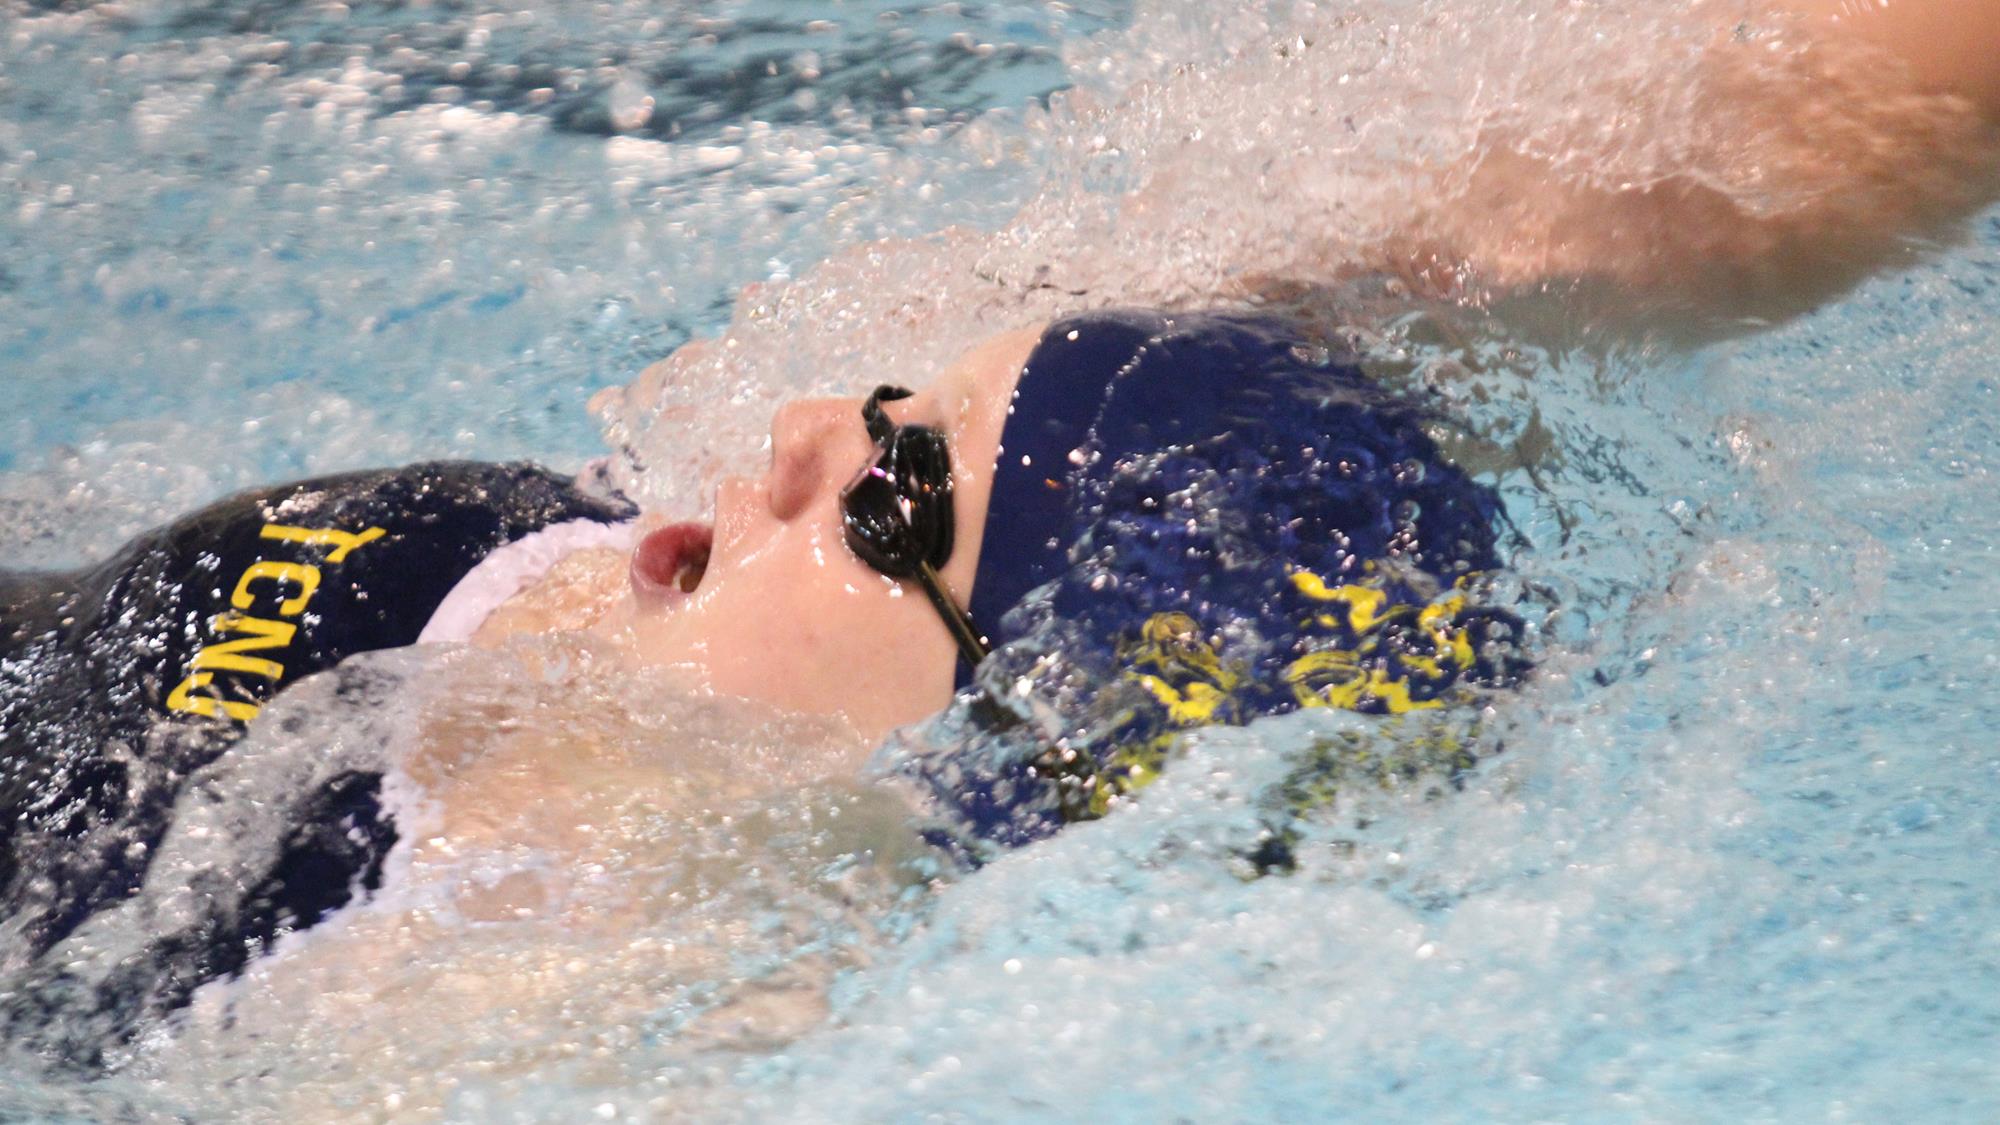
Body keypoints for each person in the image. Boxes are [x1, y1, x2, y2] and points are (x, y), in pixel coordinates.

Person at [3, 0, 1999, 1060]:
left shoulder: (570, 975)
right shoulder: (661, 572)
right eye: (880, 401)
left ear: (1009, 740)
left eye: (883, 498)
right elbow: (1621, 192)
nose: (791, 438)